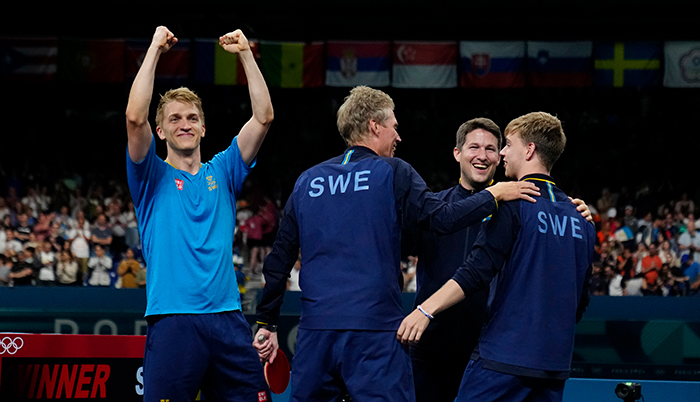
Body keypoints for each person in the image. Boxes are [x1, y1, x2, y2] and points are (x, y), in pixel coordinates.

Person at [253, 87, 540, 402]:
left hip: (314, 335)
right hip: (374, 335)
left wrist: (266, 321)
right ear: (375, 126)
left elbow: (279, 260)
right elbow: (442, 218)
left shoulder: (306, 181)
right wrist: (495, 194)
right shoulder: (392, 171)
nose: (398, 137)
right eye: (394, 126)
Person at [397, 112, 596, 402]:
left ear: (528, 150)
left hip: (498, 355)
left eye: (502, 145)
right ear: (458, 153)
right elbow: (580, 298)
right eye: (475, 147)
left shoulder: (516, 204)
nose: (499, 152)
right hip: (547, 363)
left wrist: (425, 310)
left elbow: (476, 271)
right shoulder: (581, 219)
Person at [125, 26, 273, 402]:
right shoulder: (150, 176)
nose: (184, 124)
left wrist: (245, 54)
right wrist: (155, 48)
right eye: (174, 119)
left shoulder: (223, 170)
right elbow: (133, 117)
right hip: (174, 321)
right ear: (161, 131)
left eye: (191, 117)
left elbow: (264, 117)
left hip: (228, 320)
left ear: (203, 128)